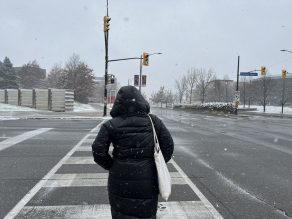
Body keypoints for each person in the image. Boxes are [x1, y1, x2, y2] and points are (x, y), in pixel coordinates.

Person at [92, 85, 174, 219]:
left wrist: (112, 165)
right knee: (146, 214)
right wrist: (153, 164)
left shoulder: (111, 125)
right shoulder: (154, 121)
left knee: (121, 214)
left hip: (119, 180)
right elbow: (168, 147)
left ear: (118, 103)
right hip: (147, 180)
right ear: (141, 100)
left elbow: (98, 151)